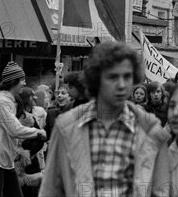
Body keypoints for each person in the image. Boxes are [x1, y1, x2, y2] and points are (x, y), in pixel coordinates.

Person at [39, 42, 170, 197]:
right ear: (96, 80)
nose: (121, 85)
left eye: (127, 76)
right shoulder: (67, 127)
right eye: (113, 77)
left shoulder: (151, 131)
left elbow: (161, 190)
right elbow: (51, 189)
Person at [0, 62, 46, 197]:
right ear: (13, 81)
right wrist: (38, 132)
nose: (24, 83)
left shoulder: (3, 100)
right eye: (22, 80)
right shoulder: (2, 102)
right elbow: (14, 129)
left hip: (4, 159)